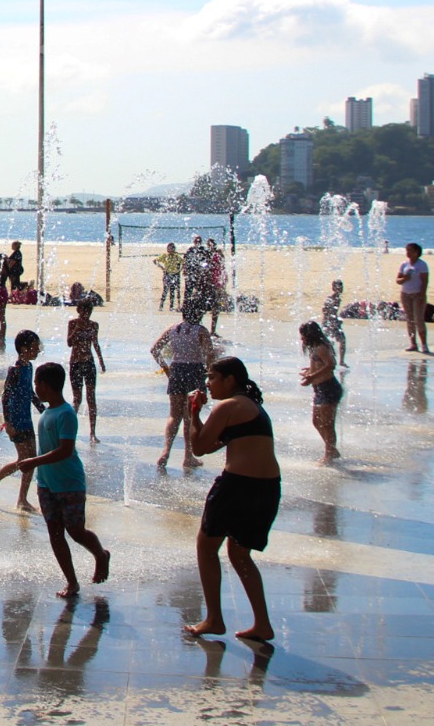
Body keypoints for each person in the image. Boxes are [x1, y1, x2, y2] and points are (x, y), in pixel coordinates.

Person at [0, 362, 111, 598]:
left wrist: (34, 462)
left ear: (45, 385)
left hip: (69, 483)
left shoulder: (66, 414)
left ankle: (100, 554)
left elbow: (65, 450)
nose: (35, 388)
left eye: (37, 384)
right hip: (46, 484)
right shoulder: (46, 413)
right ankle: (72, 582)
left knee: (75, 531)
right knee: (55, 533)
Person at [184, 357, 281, 642]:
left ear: (230, 379)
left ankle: (214, 619)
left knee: (206, 548)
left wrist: (193, 412)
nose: (208, 383)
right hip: (268, 488)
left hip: (237, 486)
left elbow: (200, 448)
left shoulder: (227, 406)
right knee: (240, 554)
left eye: (212, 377)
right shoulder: (251, 406)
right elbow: (215, 444)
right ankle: (262, 624)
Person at [0, 330, 45, 510]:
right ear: (24, 349)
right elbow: (5, 397)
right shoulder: (15, 370)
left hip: (27, 419)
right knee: (25, 458)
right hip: (16, 420)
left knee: (31, 458)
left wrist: (44, 410)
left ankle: (22, 499)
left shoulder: (29, 368)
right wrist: (8, 422)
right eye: (34, 347)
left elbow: (29, 392)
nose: (38, 351)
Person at [150, 303, 215, 468]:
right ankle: (188, 456)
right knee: (189, 416)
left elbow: (154, 349)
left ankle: (165, 452)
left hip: (177, 369)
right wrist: (211, 375)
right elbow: (210, 356)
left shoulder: (173, 329)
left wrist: (166, 368)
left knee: (174, 414)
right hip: (194, 371)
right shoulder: (201, 331)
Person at [298, 321, 343, 465]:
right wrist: (310, 371)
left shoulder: (322, 347)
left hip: (329, 388)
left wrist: (312, 376)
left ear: (310, 335)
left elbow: (331, 365)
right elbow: (321, 365)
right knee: (317, 421)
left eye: (303, 336)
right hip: (319, 389)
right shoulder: (315, 348)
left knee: (327, 424)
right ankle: (331, 449)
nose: (302, 339)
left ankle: (329, 454)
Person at [66, 298, 107, 443]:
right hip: (76, 363)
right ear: (78, 311)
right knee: (77, 399)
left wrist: (101, 361)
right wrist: (77, 329)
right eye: (84, 311)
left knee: (91, 398)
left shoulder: (94, 325)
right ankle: (70, 432)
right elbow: (69, 343)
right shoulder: (72, 324)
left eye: (89, 311)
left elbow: (95, 344)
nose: (86, 314)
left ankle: (92, 432)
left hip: (89, 363)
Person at [397, 243, 431, 353]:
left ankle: (424, 344)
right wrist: (404, 279)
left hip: (417, 294)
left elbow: (425, 281)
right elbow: (398, 280)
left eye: (410, 250)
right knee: (409, 319)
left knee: (419, 319)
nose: (408, 253)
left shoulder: (422, 265)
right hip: (405, 294)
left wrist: (422, 294)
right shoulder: (404, 264)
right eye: (407, 250)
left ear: (416, 252)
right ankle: (413, 344)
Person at [321, 280, 348, 368]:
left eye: (341, 287)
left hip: (333, 323)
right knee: (331, 342)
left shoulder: (338, 299)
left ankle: (340, 361)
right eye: (338, 287)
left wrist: (337, 319)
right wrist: (331, 322)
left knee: (340, 341)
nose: (340, 289)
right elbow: (325, 311)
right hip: (329, 324)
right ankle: (328, 361)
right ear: (333, 288)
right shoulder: (331, 299)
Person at [154, 243, 182, 311]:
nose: (169, 250)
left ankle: (171, 306)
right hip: (167, 274)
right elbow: (155, 261)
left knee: (172, 291)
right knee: (165, 290)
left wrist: (179, 270)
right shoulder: (165, 256)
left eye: (171, 248)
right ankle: (161, 306)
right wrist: (162, 268)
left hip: (174, 275)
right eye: (168, 248)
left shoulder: (177, 256)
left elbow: (183, 263)